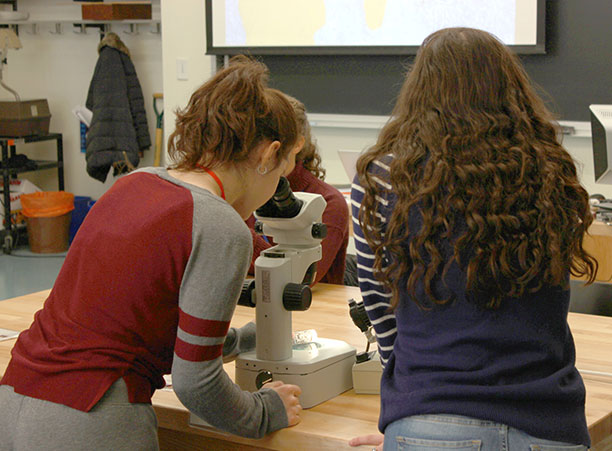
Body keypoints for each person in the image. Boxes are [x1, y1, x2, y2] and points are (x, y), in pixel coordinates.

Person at [0, 56, 303, 450]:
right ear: (268, 154)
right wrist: (266, 410)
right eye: (283, 172)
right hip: (92, 419)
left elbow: (122, 320)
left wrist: (238, 340)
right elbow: (198, 384)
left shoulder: (136, 182)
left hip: (15, 400)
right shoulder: (221, 226)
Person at [349, 28, 597, 450]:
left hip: (427, 421)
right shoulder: (550, 173)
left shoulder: (382, 178)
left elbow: (380, 308)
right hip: (547, 421)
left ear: (419, 92)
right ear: (511, 90)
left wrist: (409, 407)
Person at [246, 94, 351, 285]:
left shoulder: (328, 202)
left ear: (297, 144)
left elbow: (300, 277)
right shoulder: (248, 190)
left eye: (272, 140)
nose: (262, 150)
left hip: (313, 310)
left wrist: (237, 236)